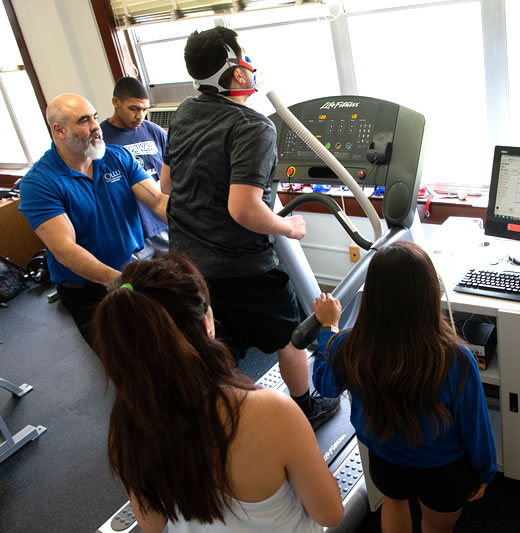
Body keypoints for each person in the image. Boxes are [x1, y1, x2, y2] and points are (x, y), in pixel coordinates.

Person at [161, 26, 338, 429]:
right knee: (290, 335)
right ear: (236, 71)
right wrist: (288, 227)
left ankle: (225, 423)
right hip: (241, 266)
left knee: (219, 347)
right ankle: (306, 407)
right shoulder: (254, 126)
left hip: (189, 264)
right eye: (245, 57)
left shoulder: (186, 111)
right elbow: (244, 209)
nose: (250, 64)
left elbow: (167, 185)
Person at [92, 253, 344, 533]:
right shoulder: (273, 412)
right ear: (206, 325)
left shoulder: (125, 429)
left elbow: (152, 525)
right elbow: (330, 514)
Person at [312, 241, 497, 533]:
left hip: (387, 460)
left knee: (394, 502)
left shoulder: (350, 345)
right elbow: (475, 425)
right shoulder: (456, 358)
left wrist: (328, 329)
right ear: (429, 294)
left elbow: (325, 385)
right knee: (436, 527)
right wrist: (485, 471)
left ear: (372, 295)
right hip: (445, 470)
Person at [19, 93, 168, 347]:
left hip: (128, 270)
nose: (96, 126)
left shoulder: (116, 157)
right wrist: (119, 282)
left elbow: (157, 201)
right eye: (84, 120)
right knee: (124, 362)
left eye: (95, 117)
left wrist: (201, 226)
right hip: (86, 290)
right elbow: (65, 249)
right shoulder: (39, 183)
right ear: (59, 130)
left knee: (158, 348)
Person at [100, 77, 169, 259]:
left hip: (163, 222)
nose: (140, 116)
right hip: (131, 230)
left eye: (144, 109)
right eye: (134, 109)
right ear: (116, 102)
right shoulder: (100, 140)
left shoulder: (154, 131)